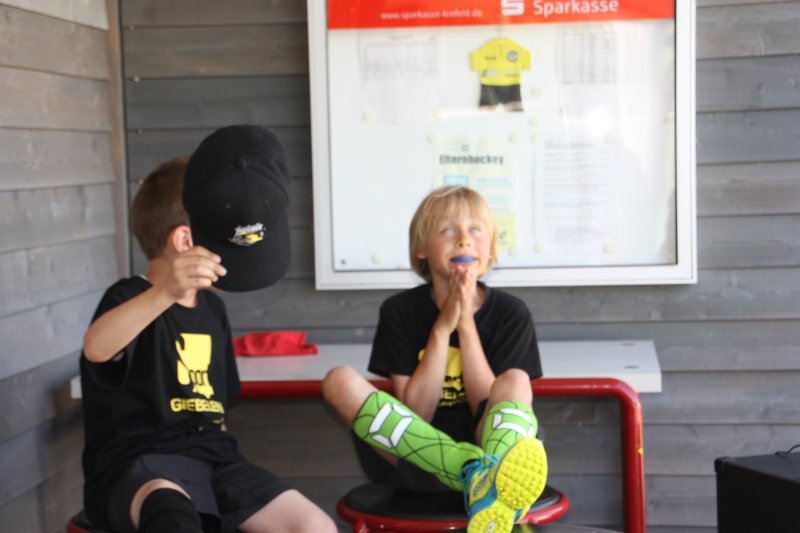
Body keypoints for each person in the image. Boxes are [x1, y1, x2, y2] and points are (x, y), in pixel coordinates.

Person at [80, 126, 337, 533]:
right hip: (138, 468)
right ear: (186, 241)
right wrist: (165, 292)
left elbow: (218, 410)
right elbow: (96, 348)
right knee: (173, 515)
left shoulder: (213, 309)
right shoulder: (130, 297)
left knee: (313, 525)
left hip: (214, 461)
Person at [322, 185, 548, 533]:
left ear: (490, 249)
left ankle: (486, 474)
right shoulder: (399, 311)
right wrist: (442, 330)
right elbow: (416, 413)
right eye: (447, 229)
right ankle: (472, 474)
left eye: (476, 229)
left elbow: (485, 408)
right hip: (412, 455)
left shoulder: (511, 313)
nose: (464, 239)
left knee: (515, 380)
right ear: (421, 248)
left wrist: (466, 325)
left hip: (490, 446)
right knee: (338, 381)